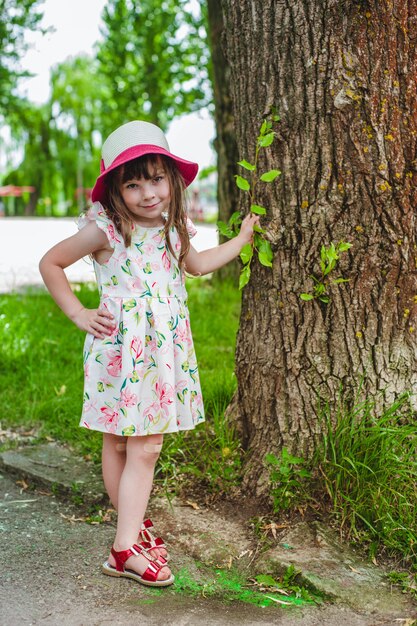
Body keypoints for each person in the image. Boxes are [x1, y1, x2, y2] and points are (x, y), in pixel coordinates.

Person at [39, 120, 259, 588]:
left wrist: (240, 243)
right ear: (115, 190)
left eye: (156, 179)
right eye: (133, 183)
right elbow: (50, 262)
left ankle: (131, 529)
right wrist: (78, 312)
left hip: (161, 353)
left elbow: (196, 265)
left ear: (172, 181)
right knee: (136, 443)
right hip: (121, 352)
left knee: (128, 442)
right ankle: (123, 551)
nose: (147, 193)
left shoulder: (173, 227)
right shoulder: (106, 231)